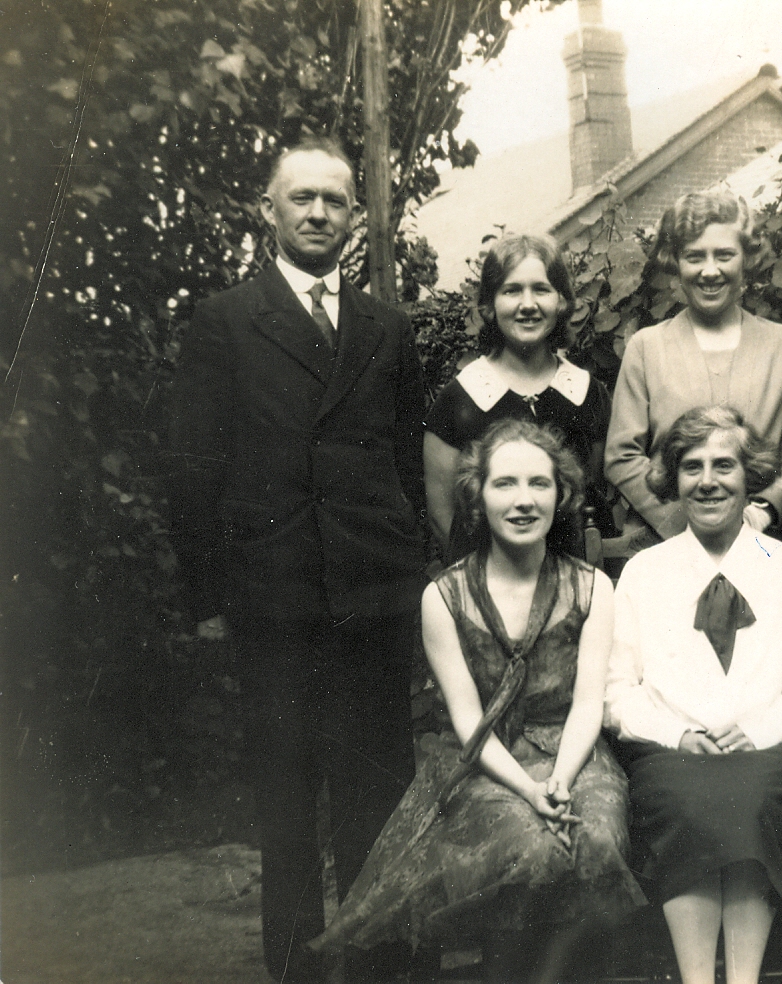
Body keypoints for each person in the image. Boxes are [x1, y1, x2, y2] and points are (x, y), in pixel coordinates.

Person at [162, 135, 426, 983]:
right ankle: (296, 973)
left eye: (334, 200)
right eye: (300, 198)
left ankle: (378, 966)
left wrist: (409, 573)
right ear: (267, 210)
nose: (318, 213)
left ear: (357, 215)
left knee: (374, 799)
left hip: (372, 596)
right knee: (286, 806)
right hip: (273, 598)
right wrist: (206, 595)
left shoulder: (388, 328)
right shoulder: (226, 320)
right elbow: (192, 464)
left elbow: (407, 463)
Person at [313, 419, 645, 983]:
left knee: (596, 838)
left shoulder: (592, 587)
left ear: (562, 495)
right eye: (505, 484)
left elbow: (588, 705)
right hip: (486, 762)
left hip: (572, 754)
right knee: (531, 847)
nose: (523, 501)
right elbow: (469, 721)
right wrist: (530, 790)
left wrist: (559, 783)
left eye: (539, 484)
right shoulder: (444, 596)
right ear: (478, 495)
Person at [605, 406, 782, 984]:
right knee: (685, 804)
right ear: (673, 480)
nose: (708, 480)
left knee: (754, 799)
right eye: (692, 467)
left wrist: (761, 730)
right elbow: (617, 689)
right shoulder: (644, 572)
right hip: (672, 754)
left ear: (750, 476)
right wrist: (677, 734)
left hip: (767, 750)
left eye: (724, 465)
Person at [605, 190, 782, 546]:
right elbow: (621, 457)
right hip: (667, 542)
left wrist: (761, 513)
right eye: (694, 257)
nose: (710, 271)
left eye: (724, 255)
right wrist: (683, 523)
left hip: (759, 541)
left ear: (746, 259)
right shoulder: (646, 347)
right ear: (676, 262)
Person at [424, 233, 611, 563]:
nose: (528, 305)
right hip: (486, 580)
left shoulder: (586, 393)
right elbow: (444, 515)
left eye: (541, 289)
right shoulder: (460, 399)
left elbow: (593, 487)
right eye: (511, 290)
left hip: (571, 575)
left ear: (562, 301)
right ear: (490, 305)